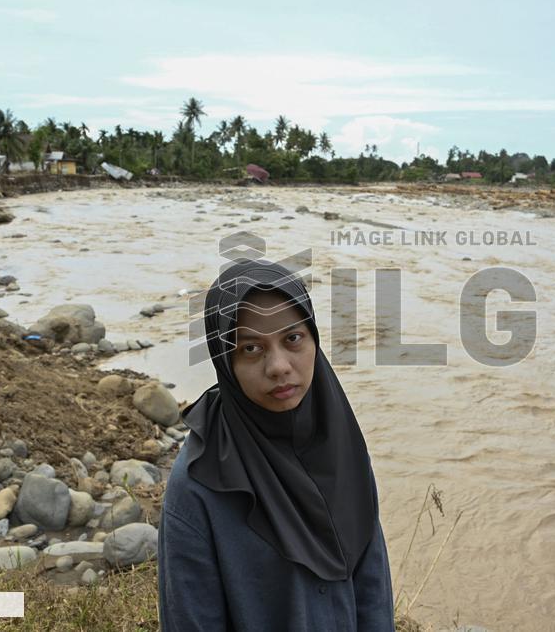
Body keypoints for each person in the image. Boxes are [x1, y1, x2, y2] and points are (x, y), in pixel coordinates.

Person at [158, 258, 395, 631]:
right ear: (226, 363)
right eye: (251, 349)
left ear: (314, 338)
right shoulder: (200, 487)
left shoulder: (343, 448)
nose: (279, 366)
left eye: (293, 339)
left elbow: (374, 597)